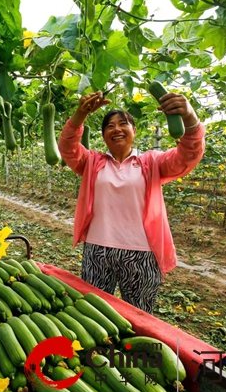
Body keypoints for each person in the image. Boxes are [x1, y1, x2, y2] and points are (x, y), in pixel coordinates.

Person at [58, 90, 205, 314]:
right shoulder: (92, 162)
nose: (116, 129)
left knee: (140, 315)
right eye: (109, 126)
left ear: (134, 131)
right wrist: (80, 114)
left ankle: (135, 350)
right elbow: (67, 147)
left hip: (142, 254)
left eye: (123, 123)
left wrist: (189, 117)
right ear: (104, 135)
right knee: (94, 314)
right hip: (98, 251)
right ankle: (98, 350)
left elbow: (188, 155)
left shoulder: (152, 162)